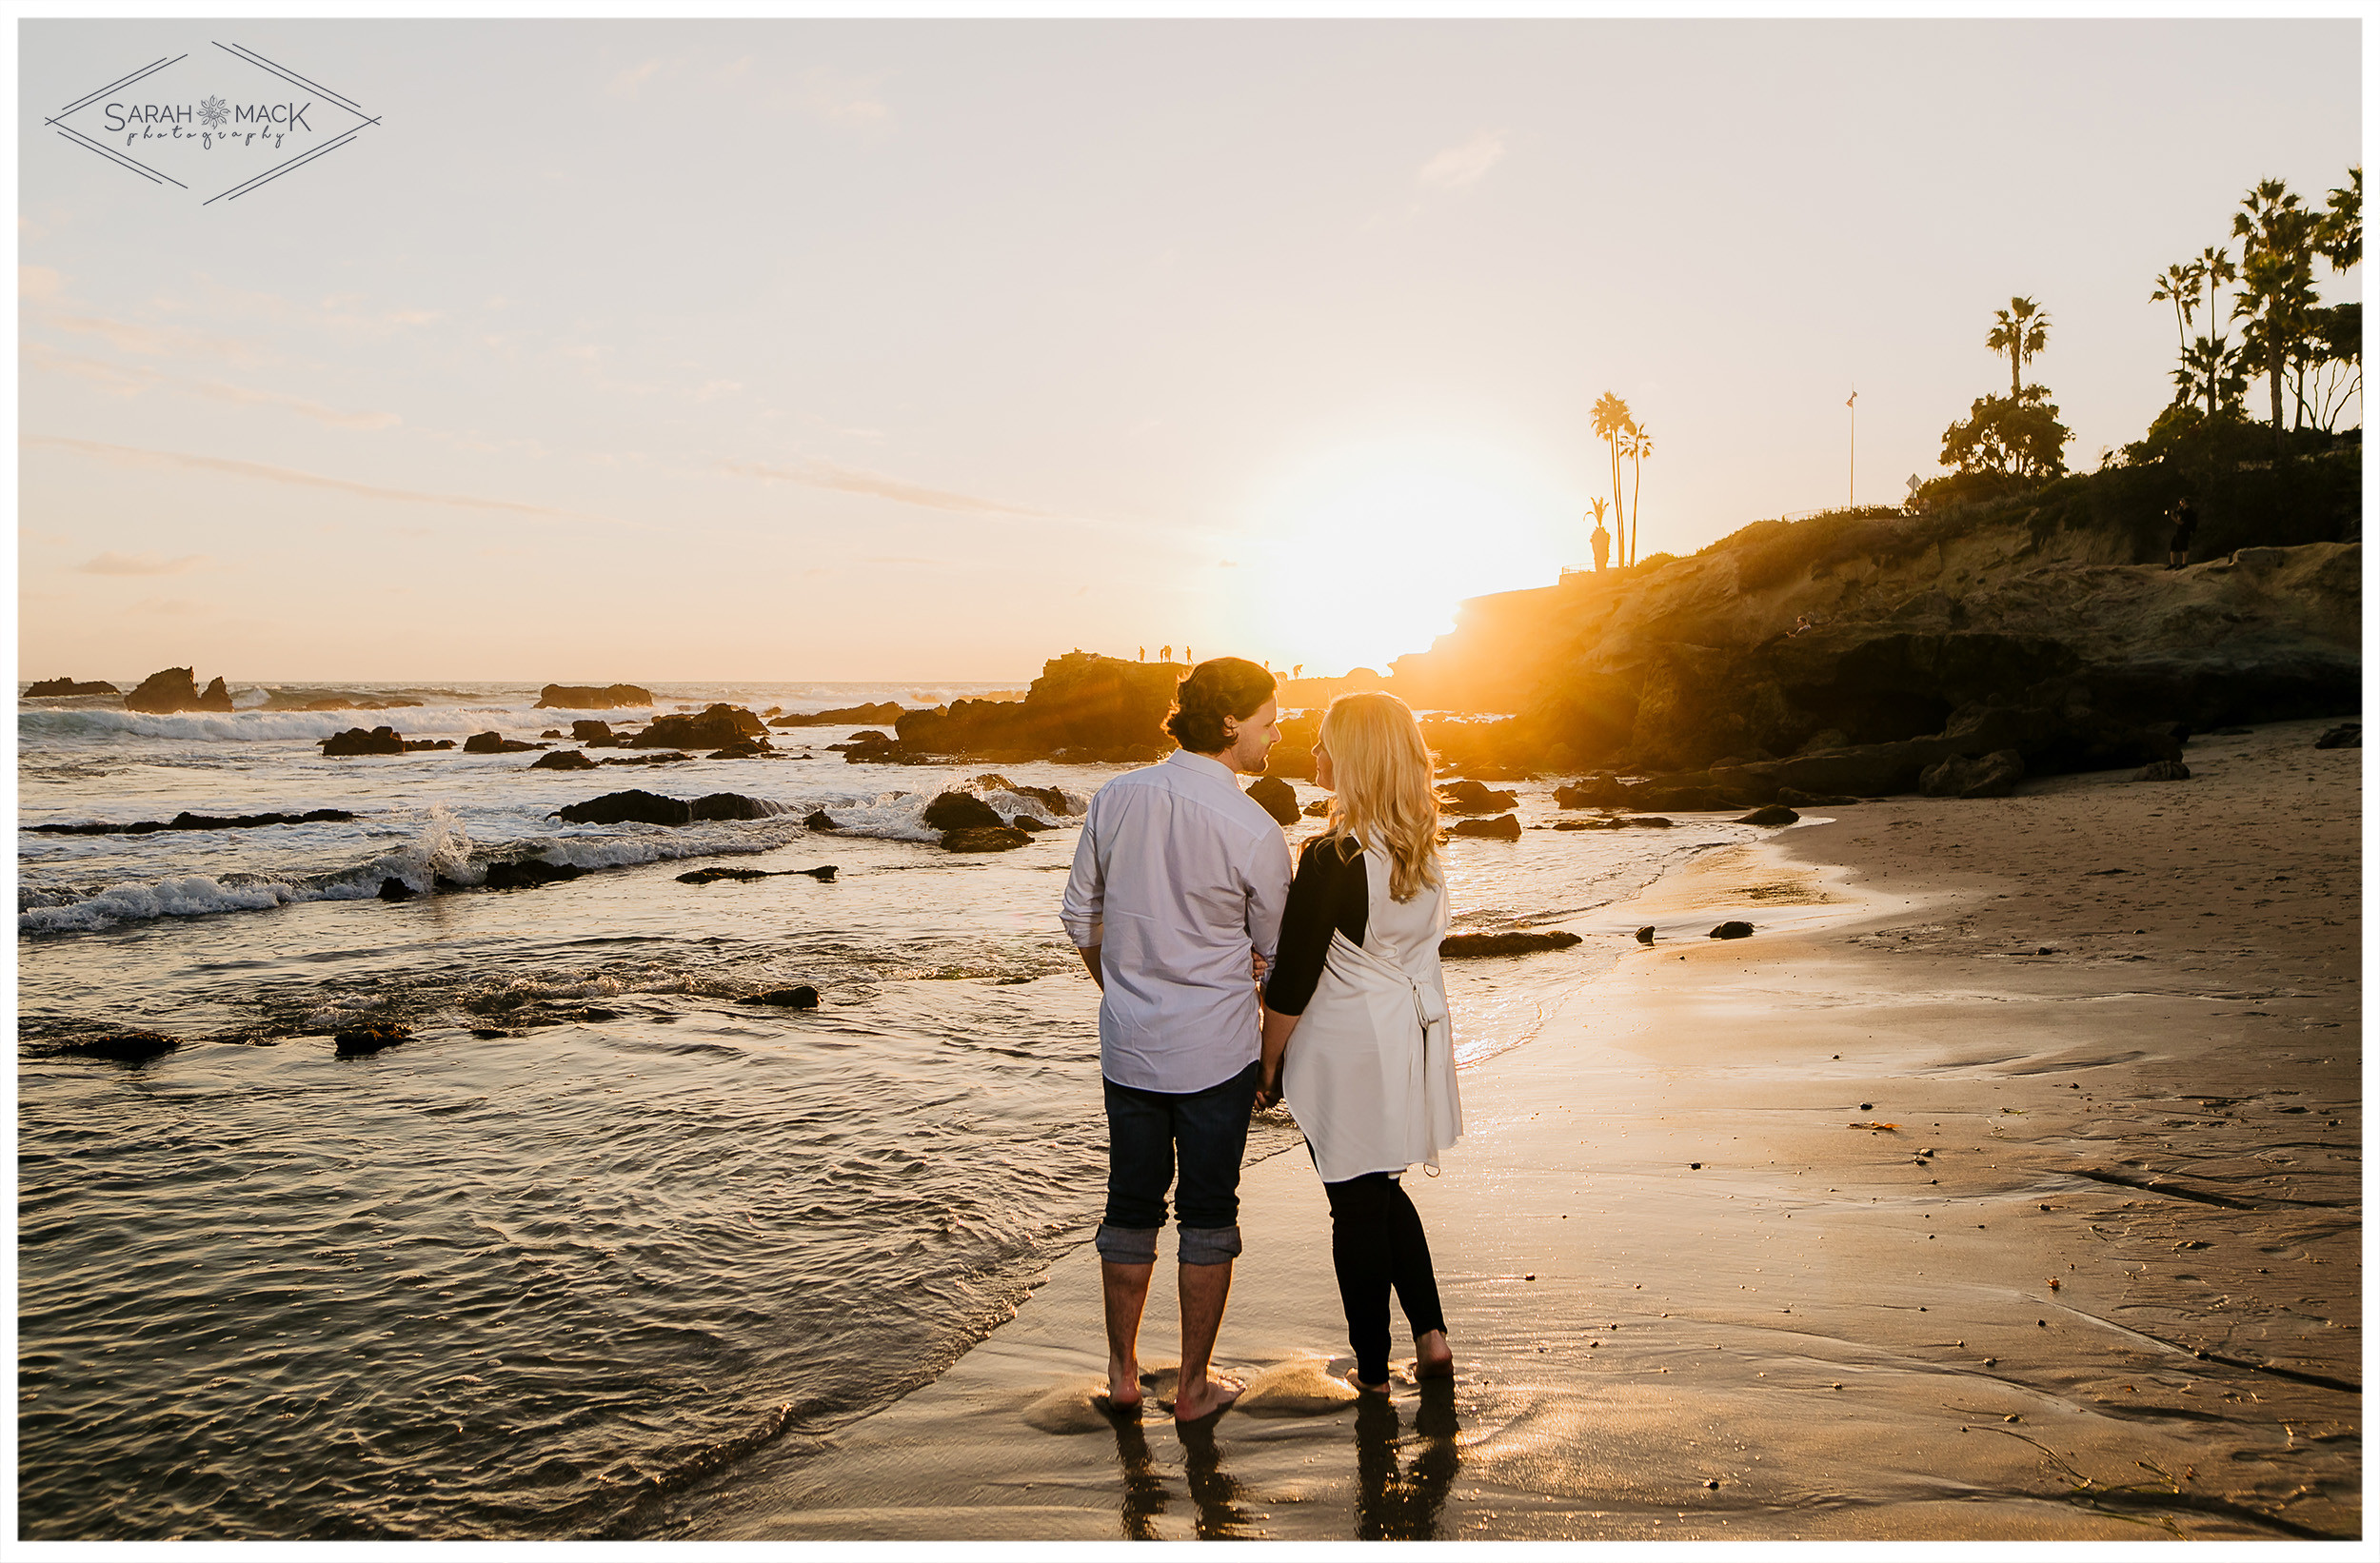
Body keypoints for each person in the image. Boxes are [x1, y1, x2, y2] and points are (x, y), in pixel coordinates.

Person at [1061, 656, 1292, 1423]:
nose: (1277, 732)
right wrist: (1274, 1057)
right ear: (1230, 724)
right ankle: (1193, 1388)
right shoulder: (1254, 828)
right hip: (1217, 1051)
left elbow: (1079, 918)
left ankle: (1124, 1376)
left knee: (1129, 1204)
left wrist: (1121, 986)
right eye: (1268, 719)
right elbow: (1279, 955)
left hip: (1130, 1042)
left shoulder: (1116, 797)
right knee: (1208, 1210)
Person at [1255, 692, 1460, 1395]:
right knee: (1379, 1190)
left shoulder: (1331, 856)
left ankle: (1373, 1371)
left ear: (1354, 759)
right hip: (1406, 1039)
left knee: (1354, 1204)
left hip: (1344, 1047)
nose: (1311, 756)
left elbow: (1294, 979)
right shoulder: (1422, 853)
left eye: (1323, 745)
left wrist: (1269, 1059)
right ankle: (1430, 1338)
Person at [2167, 495, 2198, 570]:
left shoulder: (2188, 511)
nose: (2181, 503)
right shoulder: (2183, 511)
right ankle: (2173, 563)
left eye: (2182, 502)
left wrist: (2172, 517)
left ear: (2186, 503)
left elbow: (2180, 522)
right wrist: (2177, 513)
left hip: (2185, 531)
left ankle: (2184, 563)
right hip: (2180, 531)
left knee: (2184, 547)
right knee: (2173, 546)